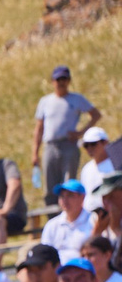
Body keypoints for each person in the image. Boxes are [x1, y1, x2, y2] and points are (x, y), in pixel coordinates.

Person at [38, 66, 101, 200]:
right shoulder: (45, 101)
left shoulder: (76, 99)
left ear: (69, 81)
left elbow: (95, 115)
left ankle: (70, 212)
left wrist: (80, 133)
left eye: (64, 79)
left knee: (69, 183)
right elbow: (39, 128)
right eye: (58, 79)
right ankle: (53, 217)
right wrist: (35, 152)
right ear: (52, 81)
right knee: (50, 184)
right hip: (50, 146)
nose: (61, 82)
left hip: (69, 145)